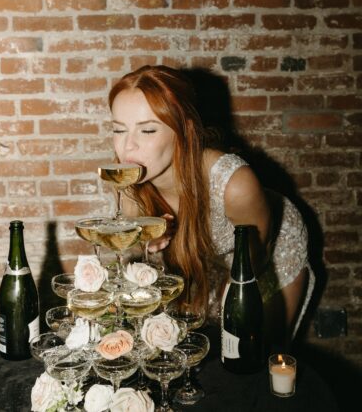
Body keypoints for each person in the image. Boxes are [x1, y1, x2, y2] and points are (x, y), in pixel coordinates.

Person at [108, 65, 315, 349]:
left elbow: (251, 266)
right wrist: (143, 244)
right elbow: (128, 259)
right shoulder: (128, 176)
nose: (128, 146)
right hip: (205, 256)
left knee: (257, 353)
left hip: (269, 252)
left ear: (183, 130)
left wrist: (220, 298)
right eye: (119, 130)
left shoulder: (235, 183)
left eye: (147, 130)